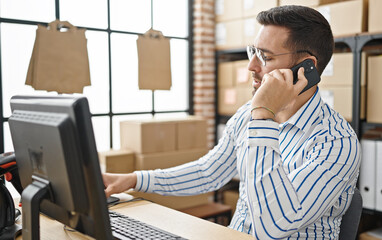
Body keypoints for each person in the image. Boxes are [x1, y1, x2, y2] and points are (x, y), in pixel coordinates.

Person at [103, 5, 361, 239]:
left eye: (266, 58)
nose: (251, 66)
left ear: (306, 68)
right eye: (254, 52)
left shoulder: (336, 142)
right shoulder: (248, 113)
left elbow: (277, 226)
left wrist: (264, 116)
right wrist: (134, 179)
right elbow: (208, 173)